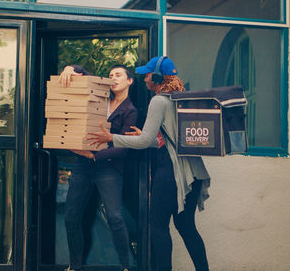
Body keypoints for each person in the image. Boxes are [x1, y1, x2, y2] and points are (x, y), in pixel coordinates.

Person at [87, 56, 211, 271]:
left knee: (158, 226)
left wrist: (111, 138)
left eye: (146, 75)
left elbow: (144, 142)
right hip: (192, 174)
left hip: (171, 173)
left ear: (156, 77)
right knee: (186, 226)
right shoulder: (178, 98)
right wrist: (144, 137)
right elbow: (166, 141)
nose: (144, 80)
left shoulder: (159, 101)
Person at [58, 64, 137, 271]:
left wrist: (94, 155)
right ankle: (74, 266)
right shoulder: (100, 97)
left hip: (108, 168)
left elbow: (123, 147)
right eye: (111, 75)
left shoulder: (130, 111)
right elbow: (86, 76)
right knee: (71, 216)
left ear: (130, 81)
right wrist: (70, 68)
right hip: (84, 166)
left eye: (118, 75)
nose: (113, 78)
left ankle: (125, 266)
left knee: (115, 217)